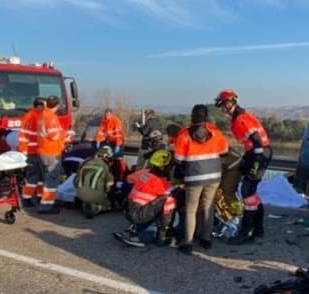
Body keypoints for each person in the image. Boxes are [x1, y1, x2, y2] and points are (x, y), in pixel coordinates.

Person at [213, 89, 272, 244]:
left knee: (247, 193)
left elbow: (257, 140)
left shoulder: (240, 119)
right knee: (251, 192)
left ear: (228, 103)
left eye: (221, 105)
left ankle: (247, 232)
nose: (221, 109)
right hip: (256, 153)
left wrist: (256, 161)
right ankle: (258, 229)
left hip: (259, 154)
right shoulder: (241, 115)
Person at [173, 104, 229, 255]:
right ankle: (206, 239)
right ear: (207, 116)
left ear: (192, 116)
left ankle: (188, 242)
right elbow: (225, 151)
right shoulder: (215, 131)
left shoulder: (184, 133)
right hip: (214, 176)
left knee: (191, 209)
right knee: (208, 207)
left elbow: (178, 158)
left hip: (194, 176)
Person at [113, 149, 179, 248]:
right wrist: (162, 235)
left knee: (158, 202)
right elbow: (167, 203)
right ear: (163, 167)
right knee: (169, 201)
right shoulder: (160, 184)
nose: (171, 169)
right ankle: (144, 237)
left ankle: (135, 230)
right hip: (139, 214)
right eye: (170, 167)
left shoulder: (146, 175)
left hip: (129, 210)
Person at [36, 95, 66, 214]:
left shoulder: (42, 115)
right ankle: (46, 206)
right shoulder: (51, 117)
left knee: (45, 178)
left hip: (43, 151)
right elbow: (54, 136)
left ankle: (47, 200)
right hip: (51, 152)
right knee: (51, 179)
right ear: (57, 105)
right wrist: (65, 134)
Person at [17, 97, 46, 206]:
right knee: (33, 176)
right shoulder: (30, 117)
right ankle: (26, 198)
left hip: (38, 151)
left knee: (40, 176)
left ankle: (39, 196)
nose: (45, 108)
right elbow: (23, 135)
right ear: (38, 106)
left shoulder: (37, 116)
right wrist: (24, 150)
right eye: (44, 106)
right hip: (32, 151)